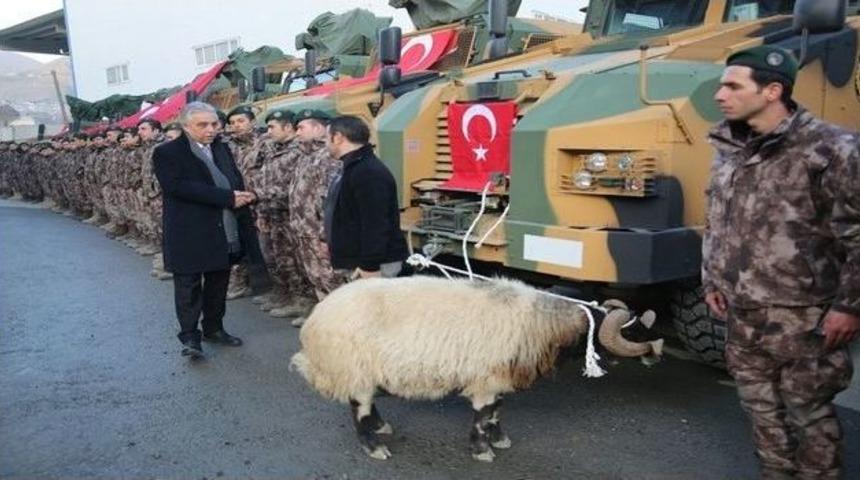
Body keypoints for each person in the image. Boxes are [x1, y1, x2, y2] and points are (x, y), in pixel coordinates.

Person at [703, 45, 859, 480]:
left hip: (803, 314)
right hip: (742, 311)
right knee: (761, 410)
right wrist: (711, 280)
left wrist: (849, 306)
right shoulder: (729, 149)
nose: (719, 95)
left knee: (808, 412)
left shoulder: (833, 148)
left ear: (773, 91)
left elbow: (857, 234)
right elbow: (716, 220)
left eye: (733, 86)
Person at [152, 102, 260, 359]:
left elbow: (232, 178)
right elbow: (177, 187)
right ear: (186, 126)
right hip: (189, 230)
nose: (211, 129)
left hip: (222, 227)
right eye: (203, 125)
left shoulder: (221, 148)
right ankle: (190, 336)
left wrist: (241, 196)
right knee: (188, 285)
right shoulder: (167, 152)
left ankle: (214, 328)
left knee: (218, 282)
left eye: (214, 124)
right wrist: (227, 197)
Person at [324, 116, 408, 279]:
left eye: (327, 138)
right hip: (359, 261)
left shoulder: (368, 172)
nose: (325, 144)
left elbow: (375, 224)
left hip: (373, 266)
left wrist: (369, 266)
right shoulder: (353, 167)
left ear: (338, 137)